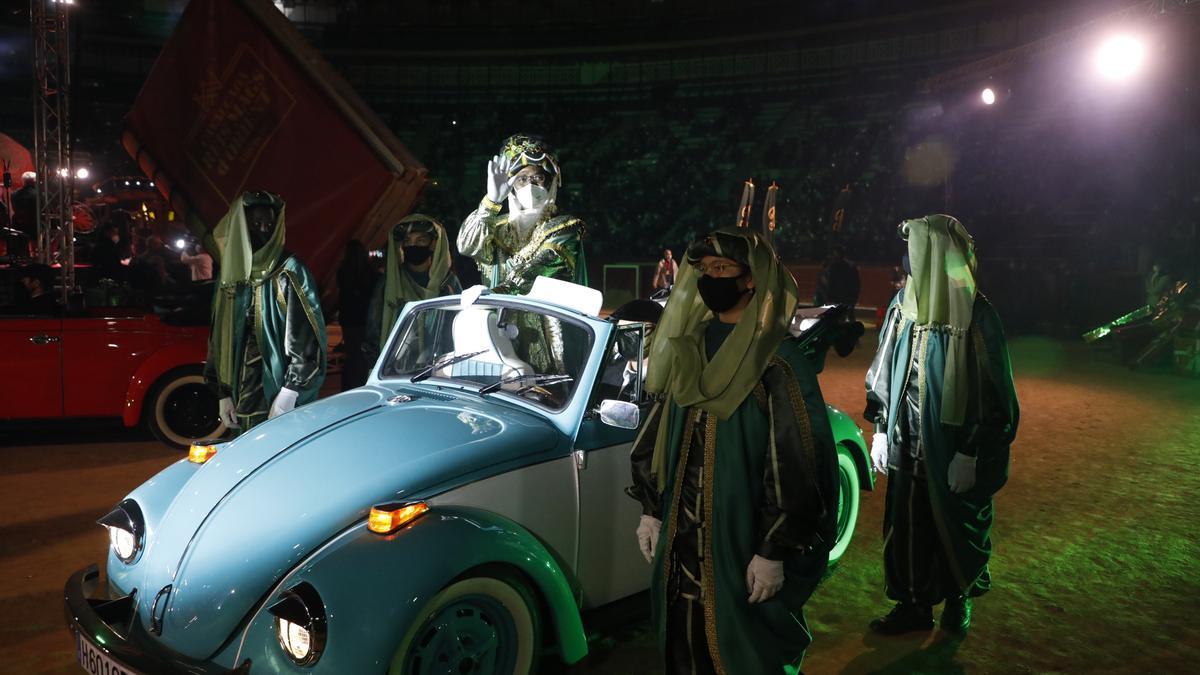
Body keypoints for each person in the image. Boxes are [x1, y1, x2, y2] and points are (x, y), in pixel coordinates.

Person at [628, 228, 840, 675]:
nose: (710, 279)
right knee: (683, 630)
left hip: (741, 539)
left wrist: (773, 549)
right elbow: (660, 426)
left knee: (741, 643)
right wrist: (651, 507)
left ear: (752, 279)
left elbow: (797, 461)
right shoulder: (690, 344)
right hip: (682, 534)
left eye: (722, 269)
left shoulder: (776, 360)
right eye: (704, 271)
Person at [864, 214, 1019, 636]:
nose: (908, 262)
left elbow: (994, 394)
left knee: (953, 523)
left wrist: (971, 449)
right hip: (905, 438)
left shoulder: (977, 315)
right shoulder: (903, 306)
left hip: (951, 444)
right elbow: (884, 367)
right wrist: (880, 426)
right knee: (907, 526)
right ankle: (913, 605)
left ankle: (958, 598)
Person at [204, 191, 326, 432]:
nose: (263, 231)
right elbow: (217, 337)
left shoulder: (288, 271)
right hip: (239, 393)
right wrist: (222, 391)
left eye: (269, 224)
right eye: (256, 224)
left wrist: (291, 391)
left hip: (275, 390)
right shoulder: (231, 275)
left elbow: (306, 339)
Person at [457, 133, 586, 294]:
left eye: (538, 177)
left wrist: (497, 293)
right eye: (522, 179)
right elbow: (466, 247)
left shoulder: (565, 228)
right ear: (511, 185)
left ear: (551, 181)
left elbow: (538, 271)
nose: (530, 184)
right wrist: (491, 202)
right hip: (498, 316)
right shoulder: (496, 228)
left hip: (542, 317)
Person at [335, 239, 377, 391]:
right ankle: (362, 384)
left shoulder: (344, 271)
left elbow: (344, 295)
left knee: (352, 355)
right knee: (363, 355)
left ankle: (349, 387)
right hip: (364, 318)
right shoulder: (370, 272)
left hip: (350, 319)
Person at [813, 243, 860, 308]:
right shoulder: (850, 266)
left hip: (836, 297)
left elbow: (825, 282)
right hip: (844, 297)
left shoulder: (833, 266)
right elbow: (856, 283)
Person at [10, 171, 37, 253]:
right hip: (34, 224)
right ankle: (36, 253)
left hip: (18, 224)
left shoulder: (14, 194)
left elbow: (15, 208)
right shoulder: (37, 193)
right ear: (33, 181)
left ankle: (23, 255)